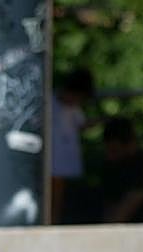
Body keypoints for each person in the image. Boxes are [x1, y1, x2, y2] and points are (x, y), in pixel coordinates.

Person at [50, 68, 96, 224]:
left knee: (60, 197)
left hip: (64, 161)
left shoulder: (73, 108)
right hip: (52, 160)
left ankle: (55, 222)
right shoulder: (50, 103)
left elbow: (81, 124)